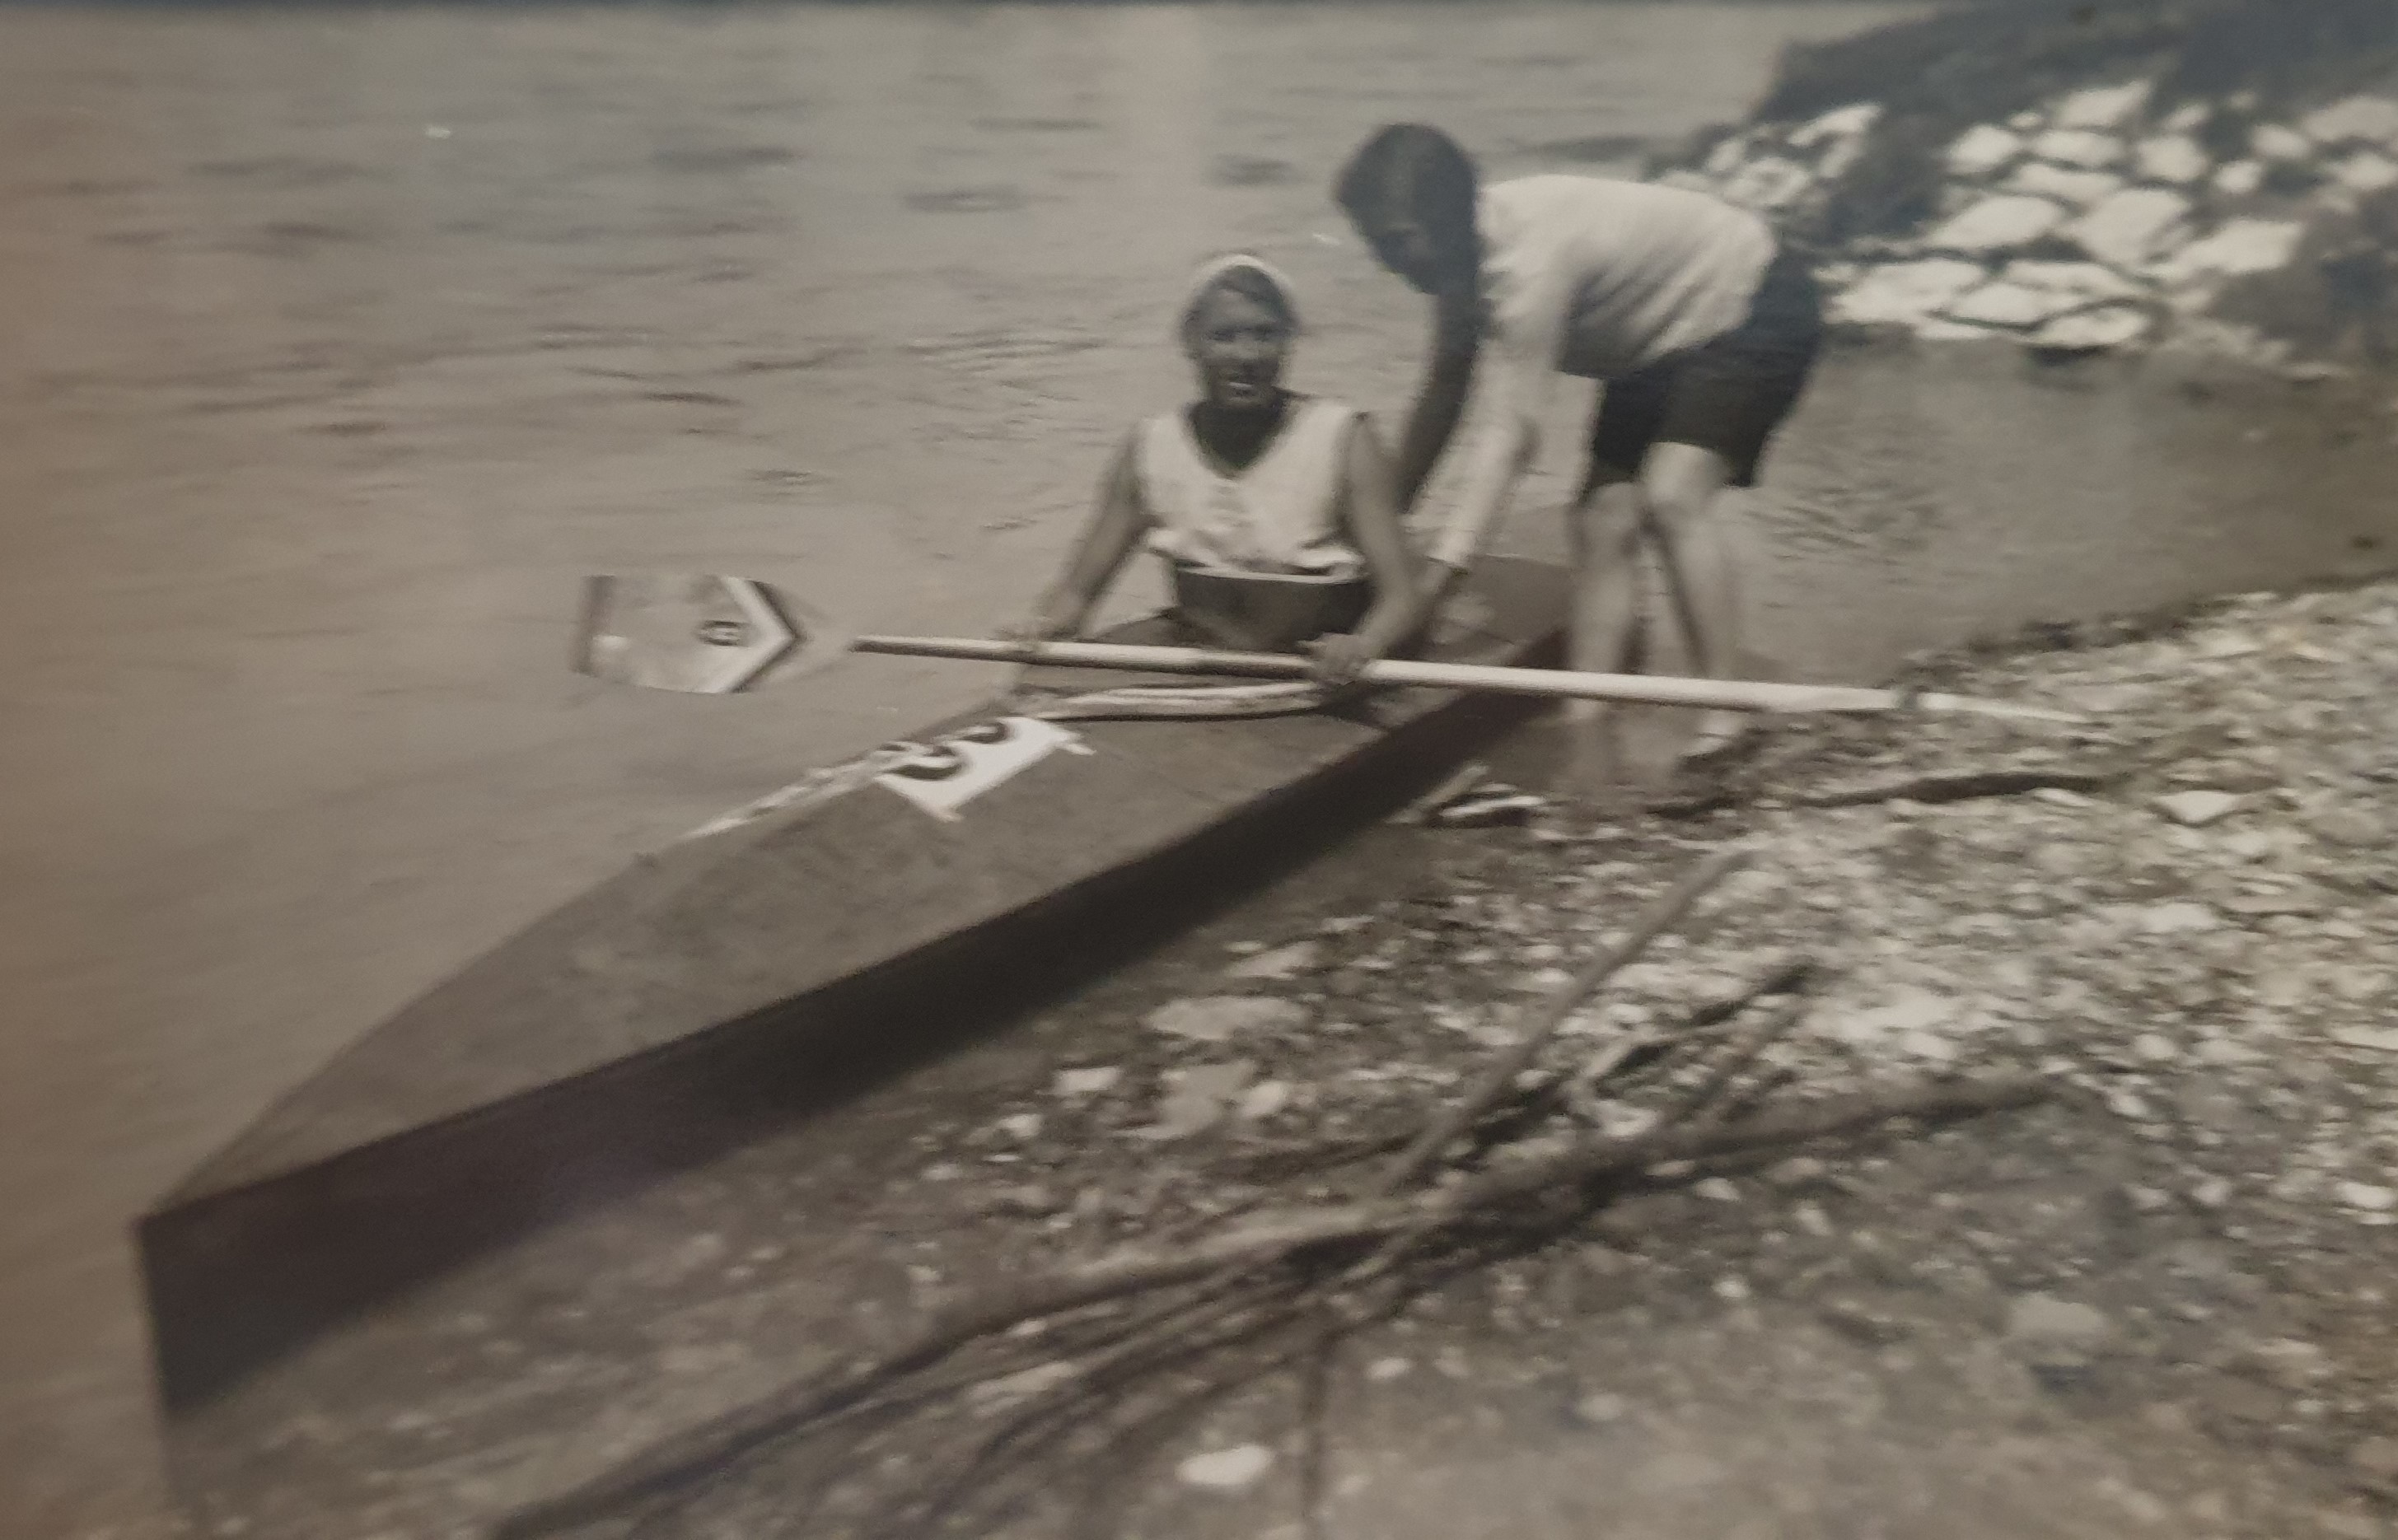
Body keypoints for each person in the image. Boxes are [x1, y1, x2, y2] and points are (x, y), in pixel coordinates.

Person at [1333, 123, 1824, 787]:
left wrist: (1436, 582)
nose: (1384, 263)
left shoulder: (1526, 268)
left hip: (1754, 300)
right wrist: (1380, 528)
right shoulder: (1458, 262)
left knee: (1671, 495)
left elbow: (1510, 439)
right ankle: (1585, 714)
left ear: (1444, 218)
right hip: (1654, 338)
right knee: (1598, 522)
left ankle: (1725, 714)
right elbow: (1444, 394)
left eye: (1393, 243)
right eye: (1372, 246)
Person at [1009, 254, 1421, 686]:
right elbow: (1076, 593)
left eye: (1265, 335)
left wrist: (1362, 646)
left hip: (1320, 674)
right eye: (1223, 337)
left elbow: (1403, 596)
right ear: (1191, 343)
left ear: (1288, 342)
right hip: (1205, 662)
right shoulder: (1149, 446)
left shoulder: (1346, 438)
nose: (1246, 357)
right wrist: (1040, 629)